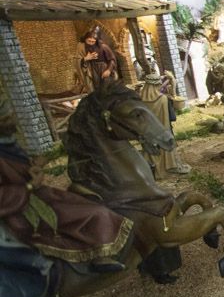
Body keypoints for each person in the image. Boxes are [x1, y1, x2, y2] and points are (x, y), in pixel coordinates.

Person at [0, 98, 132, 273]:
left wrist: (34, 165)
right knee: (93, 213)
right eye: (9, 118)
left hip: (39, 194)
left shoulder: (8, 143)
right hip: (23, 207)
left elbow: (19, 170)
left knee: (86, 202)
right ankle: (96, 257)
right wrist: (30, 186)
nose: (14, 120)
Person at [138, 73, 190, 177]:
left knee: (150, 151)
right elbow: (172, 117)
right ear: (157, 85)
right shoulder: (163, 99)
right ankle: (168, 166)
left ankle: (152, 169)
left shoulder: (139, 99)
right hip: (162, 132)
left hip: (147, 133)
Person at [76, 25, 119, 92]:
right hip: (92, 69)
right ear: (85, 39)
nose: (90, 43)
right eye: (89, 41)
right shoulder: (82, 47)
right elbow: (78, 60)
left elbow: (112, 60)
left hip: (103, 68)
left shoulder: (103, 47)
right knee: (96, 86)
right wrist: (85, 59)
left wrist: (108, 70)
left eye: (93, 41)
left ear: (96, 41)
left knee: (107, 86)